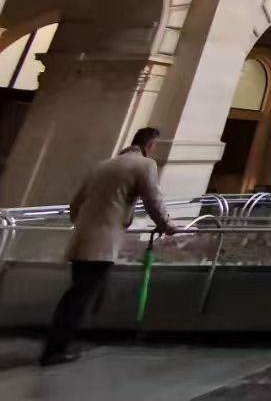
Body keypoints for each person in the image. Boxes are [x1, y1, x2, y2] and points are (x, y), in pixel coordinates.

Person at [41, 127, 176, 366]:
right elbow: (153, 199)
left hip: (83, 236)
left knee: (78, 292)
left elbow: (75, 206)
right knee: (79, 296)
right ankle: (54, 350)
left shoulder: (102, 165)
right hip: (103, 241)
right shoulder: (145, 165)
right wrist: (167, 225)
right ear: (151, 145)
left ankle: (58, 345)